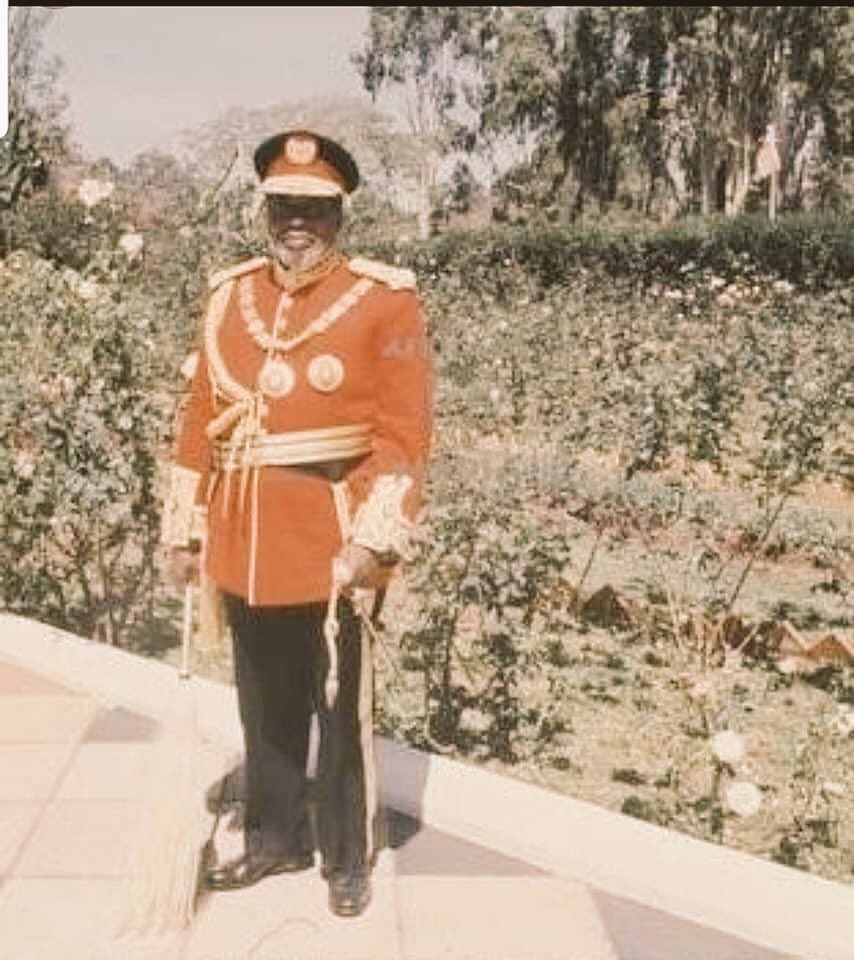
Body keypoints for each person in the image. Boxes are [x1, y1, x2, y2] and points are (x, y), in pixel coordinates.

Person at [160, 128, 432, 918]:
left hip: (332, 536)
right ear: (265, 211)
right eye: (283, 206)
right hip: (244, 532)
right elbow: (200, 416)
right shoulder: (229, 296)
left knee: (338, 707)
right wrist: (185, 527)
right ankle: (275, 836)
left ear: (339, 215)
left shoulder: (384, 299)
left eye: (313, 209)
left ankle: (346, 856)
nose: (297, 223)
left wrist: (373, 539)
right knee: (262, 699)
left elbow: (403, 435)